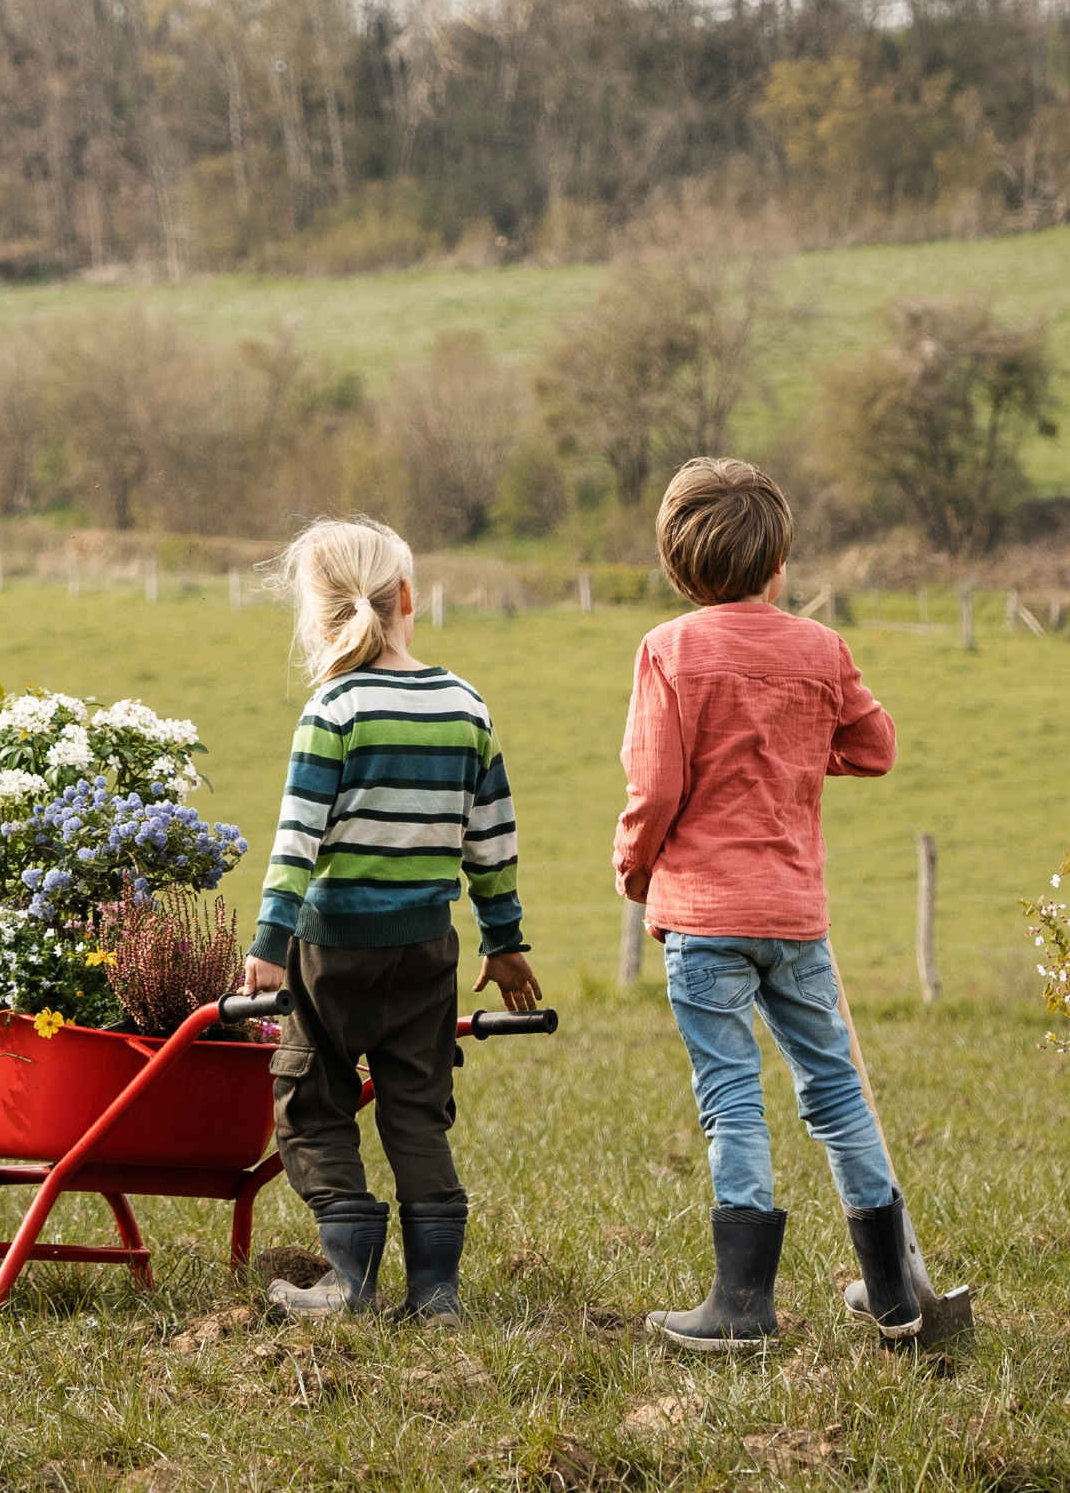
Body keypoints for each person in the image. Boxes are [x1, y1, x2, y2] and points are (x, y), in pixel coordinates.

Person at [615, 458, 971, 1350]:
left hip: (702, 915)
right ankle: (894, 1298)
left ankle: (742, 1303)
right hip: (795, 916)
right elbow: (878, 745)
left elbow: (655, 787)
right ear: (780, 562)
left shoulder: (669, 648)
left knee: (732, 1093)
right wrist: (798, 746)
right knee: (836, 1087)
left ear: (680, 568)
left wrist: (635, 866)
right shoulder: (821, 647)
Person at [244, 517, 541, 1322]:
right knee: (418, 1110)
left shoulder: (333, 710)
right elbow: (492, 843)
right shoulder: (464, 706)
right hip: (425, 952)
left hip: (333, 953)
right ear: (410, 598)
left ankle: (351, 1277)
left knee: (311, 1104)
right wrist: (506, 943)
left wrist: (270, 946)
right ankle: (436, 1291)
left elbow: (297, 841)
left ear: (318, 617)